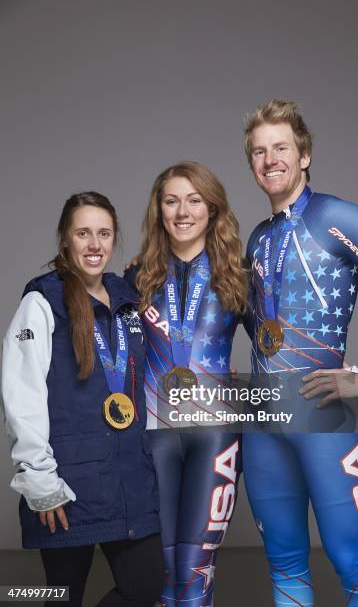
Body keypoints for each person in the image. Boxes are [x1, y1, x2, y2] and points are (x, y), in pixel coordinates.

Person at [243, 100, 358, 605]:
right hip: (264, 422)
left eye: (281, 148)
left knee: (353, 564)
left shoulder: (337, 215)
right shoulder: (257, 238)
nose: (270, 159)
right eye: (258, 152)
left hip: (324, 418)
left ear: (305, 154)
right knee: (285, 566)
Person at [2, 192, 164, 607]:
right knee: (60, 597)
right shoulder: (41, 303)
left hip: (129, 481)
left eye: (104, 233)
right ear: (65, 239)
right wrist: (39, 480)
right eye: (83, 233)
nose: (95, 244)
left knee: (145, 587)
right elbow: (22, 393)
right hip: (67, 488)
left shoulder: (127, 299)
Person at [125, 161, 251, 606]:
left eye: (194, 200)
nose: (183, 211)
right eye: (171, 200)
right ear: (158, 210)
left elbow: (276, 350)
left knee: (195, 572)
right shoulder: (135, 278)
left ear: (212, 209)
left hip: (214, 436)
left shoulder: (238, 275)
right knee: (158, 574)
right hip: (151, 435)